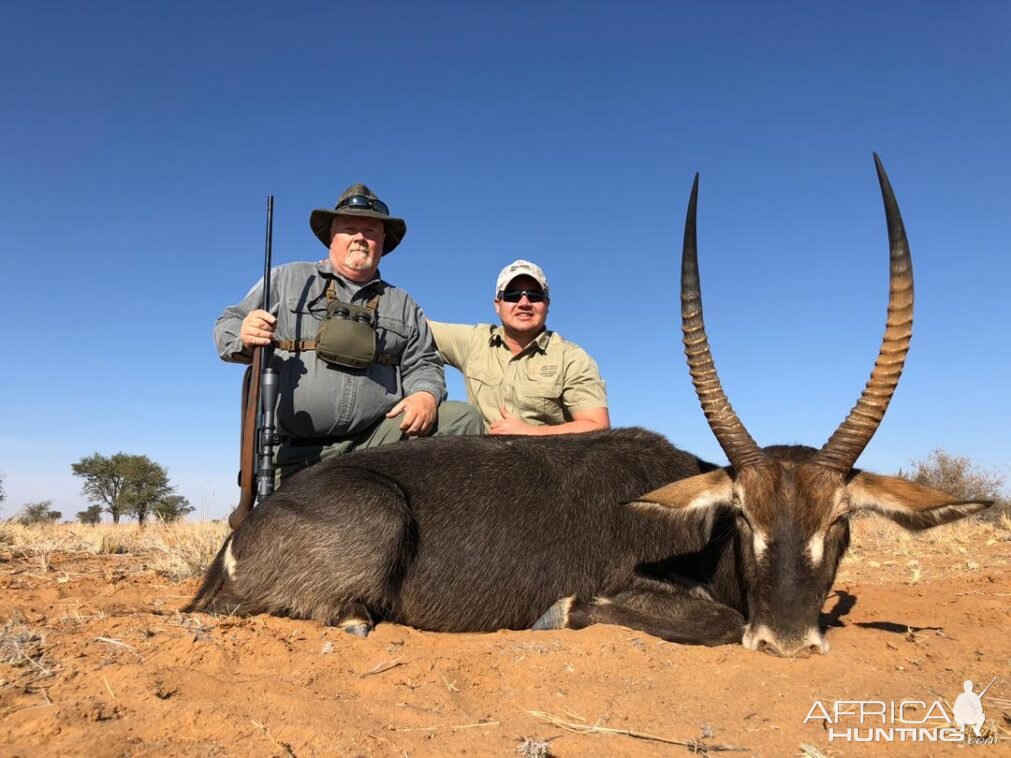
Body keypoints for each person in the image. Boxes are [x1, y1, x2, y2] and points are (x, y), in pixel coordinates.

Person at [214, 184, 483, 480]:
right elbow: (226, 325)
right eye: (350, 228)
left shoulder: (403, 303)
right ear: (332, 236)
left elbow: (424, 362)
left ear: (383, 241)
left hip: (376, 443)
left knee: (462, 420)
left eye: (370, 231)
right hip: (298, 451)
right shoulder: (286, 278)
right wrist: (244, 332)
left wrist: (425, 397)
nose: (360, 237)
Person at [429, 260, 609, 435]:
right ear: (497, 305)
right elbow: (411, 324)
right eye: (512, 295)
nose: (524, 303)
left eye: (534, 296)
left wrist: (530, 432)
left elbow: (597, 426)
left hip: (544, 461)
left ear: (546, 304)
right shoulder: (473, 341)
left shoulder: (571, 357)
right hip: (484, 460)